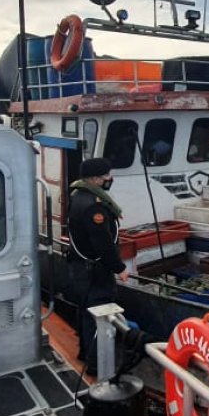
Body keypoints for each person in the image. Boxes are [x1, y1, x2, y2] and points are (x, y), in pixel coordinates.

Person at [67, 157, 129, 373]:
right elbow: (103, 243)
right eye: (106, 176)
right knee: (99, 314)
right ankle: (96, 366)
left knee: (85, 311)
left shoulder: (77, 195)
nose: (109, 179)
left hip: (80, 268)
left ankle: (85, 353)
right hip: (94, 272)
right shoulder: (94, 207)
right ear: (95, 179)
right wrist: (120, 268)